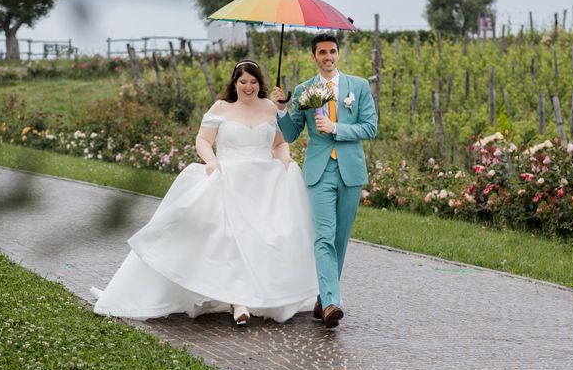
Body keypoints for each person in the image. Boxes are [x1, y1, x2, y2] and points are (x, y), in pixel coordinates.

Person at [91, 60, 317, 326]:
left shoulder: (270, 107)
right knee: (231, 238)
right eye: (243, 81)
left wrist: (285, 159)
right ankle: (238, 300)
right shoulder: (221, 108)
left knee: (260, 240)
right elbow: (203, 140)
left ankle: (256, 294)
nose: (248, 87)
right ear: (234, 83)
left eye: (253, 82)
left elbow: (279, 143)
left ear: (260, 84)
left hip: (263, 185)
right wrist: (211, 160)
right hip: (228, 179)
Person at [271, 33, 377, 328]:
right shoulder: (305, 90)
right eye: (322, 53)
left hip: (351, 171)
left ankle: (322, 299)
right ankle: (332, 301)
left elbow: (370, 128)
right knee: (324, 236)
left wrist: (336, 127)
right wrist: (280, 109)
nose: (328, 57)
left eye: (332, 51)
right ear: (313, 57)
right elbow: (291, 134)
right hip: (320, 172)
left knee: (340, 238)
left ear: (338, 54)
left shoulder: (358, 87)